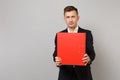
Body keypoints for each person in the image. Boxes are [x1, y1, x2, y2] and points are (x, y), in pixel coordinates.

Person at [53, 6, 95, 80]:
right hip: (65, 75)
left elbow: (92, 53)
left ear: (78, 18)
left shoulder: (87, 33)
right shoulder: (59, 35)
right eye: (68, 17)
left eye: (73, 17)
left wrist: (89, 58)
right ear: (64, 19)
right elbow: (55, 54)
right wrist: (56, 59)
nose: (70, 20)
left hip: (84, 75)